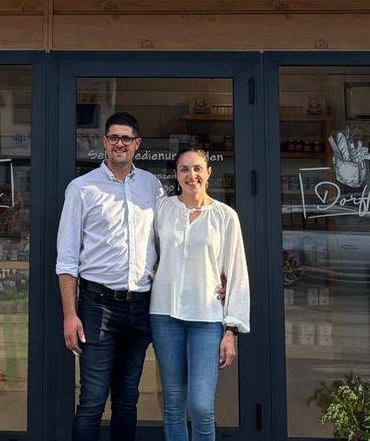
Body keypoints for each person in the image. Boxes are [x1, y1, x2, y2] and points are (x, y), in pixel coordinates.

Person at [56, 112, 162, 441]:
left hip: (142, 306)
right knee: (91, 402)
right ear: (104, 142)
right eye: (114, 137)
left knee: (128, 402)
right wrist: (70, 315)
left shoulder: (152, 186)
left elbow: (168, 243)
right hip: (97, 306)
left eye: (126, 138)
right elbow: (67, 258)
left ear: (137, 144)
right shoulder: (82, 188)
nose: (120, 144)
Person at [149, 148, 251, 441]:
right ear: (176, 175)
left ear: (208, 173)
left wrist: (231, 329)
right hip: (164, 316)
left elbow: (236, 272)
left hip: (207, 318)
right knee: (173, 404)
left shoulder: (224, 216)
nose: (190, 175)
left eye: (197, 169)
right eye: (183, 169)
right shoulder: (163, 210)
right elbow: (146, 255)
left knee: (201, 406)